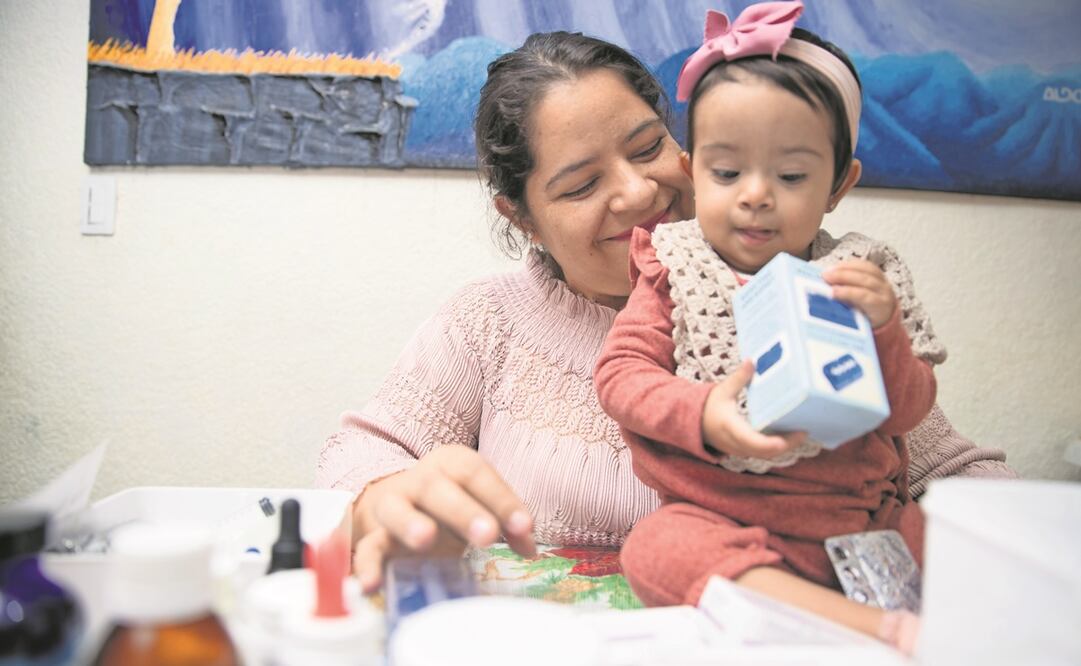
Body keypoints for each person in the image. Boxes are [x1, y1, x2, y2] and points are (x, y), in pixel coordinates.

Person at [314, 26, 1015, 608]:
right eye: (582, 184)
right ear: (521, 216)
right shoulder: (485, 322)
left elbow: (951, 469)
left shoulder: (801, 287)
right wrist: (384, 498)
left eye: (648, 148)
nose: (637, 190)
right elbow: (359, 451)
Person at [593, 1, 938, 652]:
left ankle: (865, 615)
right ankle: (871, 628)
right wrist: (700, 413)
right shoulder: (676, 268)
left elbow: (908, 410)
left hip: (865, 528)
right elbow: (619, 375)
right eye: (727, 172)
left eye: (790, 175)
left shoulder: (860, 274)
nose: (755, 194)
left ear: (838, 185)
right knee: (656, 547)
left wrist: (885, 328)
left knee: (944, 531)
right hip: (730, 528)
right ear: (694, 172)